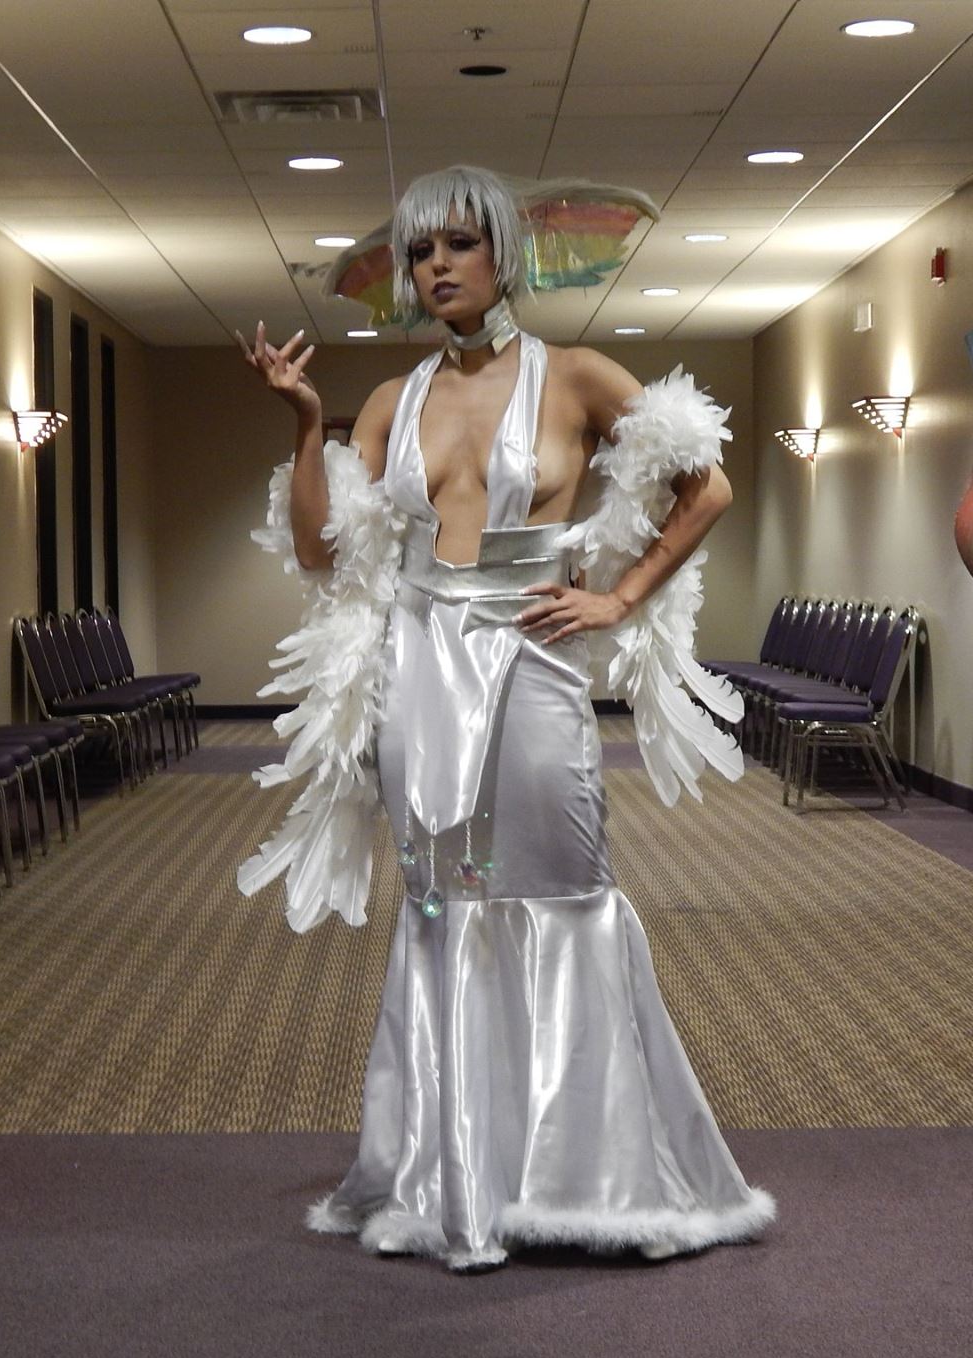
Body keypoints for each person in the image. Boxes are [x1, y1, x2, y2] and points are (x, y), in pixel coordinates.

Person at [238, 164, 776, 1273]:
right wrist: (304, 423)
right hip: (422, 672)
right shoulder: (389, 402)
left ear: (503, 255)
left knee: (564, 890)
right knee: (444, 904)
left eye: (457, 243)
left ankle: (587, 1174)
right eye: (418, 249)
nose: (435, 265)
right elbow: (320, 552)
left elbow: (708, 486)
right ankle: (457, 1176)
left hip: (531, 663)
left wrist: (620, 596)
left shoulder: (576, 376)